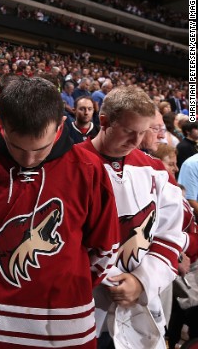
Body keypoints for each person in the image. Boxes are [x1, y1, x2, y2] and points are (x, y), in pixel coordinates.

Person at [0, 76, 121, 348]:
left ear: (61, 126)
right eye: (17, 146)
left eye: (40, 148)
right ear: (0, 124)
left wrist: (68, 280)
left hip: (66, 328)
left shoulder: (90, 170)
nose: (28, 159)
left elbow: (105, 247)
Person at [80, 86, 185, 348]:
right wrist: (110, 277)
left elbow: (170, 234)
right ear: (104, 122)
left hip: (141, 304)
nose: (136, 141)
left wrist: (142, 280)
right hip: (86, 304)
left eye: (143, 132)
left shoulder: (157, 171)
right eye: (129, 131)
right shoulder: (71, 164)